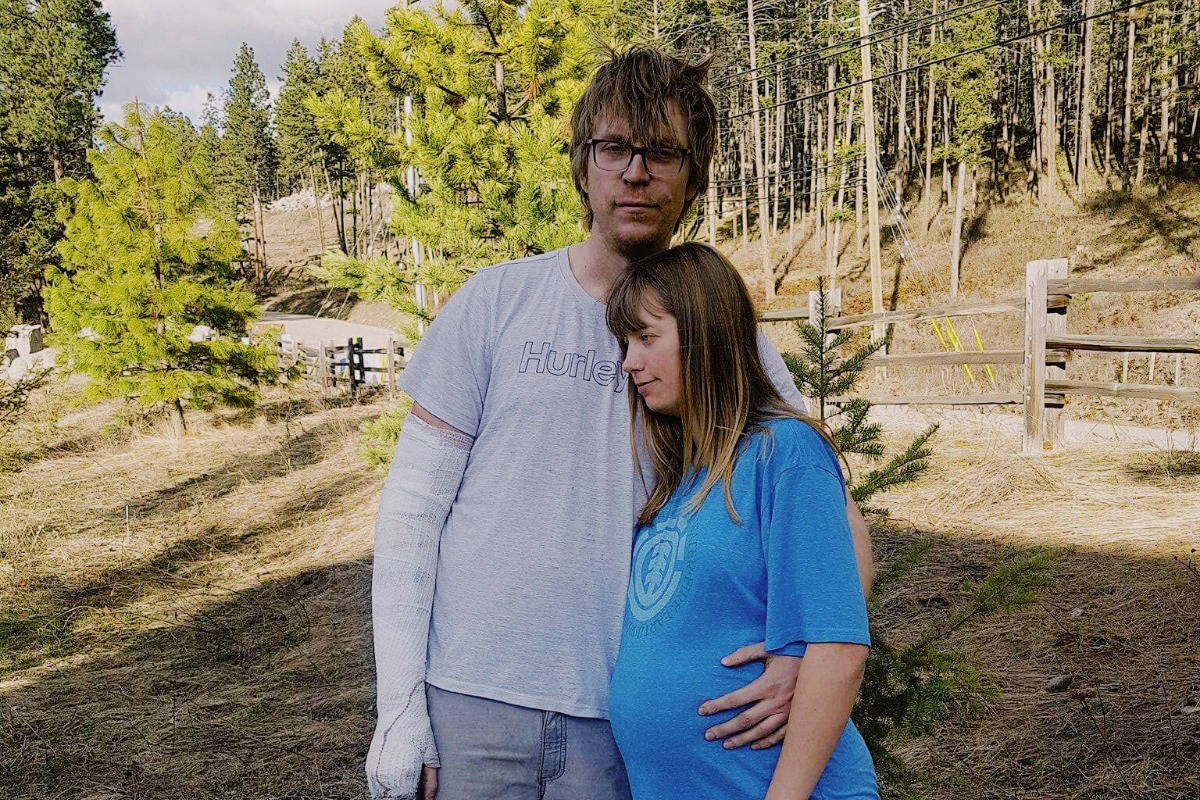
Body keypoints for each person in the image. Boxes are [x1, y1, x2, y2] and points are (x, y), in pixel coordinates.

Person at [368, 46, 875, 800]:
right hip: (471, 701)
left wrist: (800, 657)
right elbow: (412, 510)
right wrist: (400, 707)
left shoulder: (724, 342)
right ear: (583, 166)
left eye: (663, 153)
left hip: (617, 736)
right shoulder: (496, 303)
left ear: (694, 179)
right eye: (614, 148)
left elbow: (840, 529)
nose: (636, 173)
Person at [606, 241, 877, 800]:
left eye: (646, 338)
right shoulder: (682, 477)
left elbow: (839, 651)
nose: (629, 362)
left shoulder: (786, 452)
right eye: (626, 343)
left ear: (704, 335)